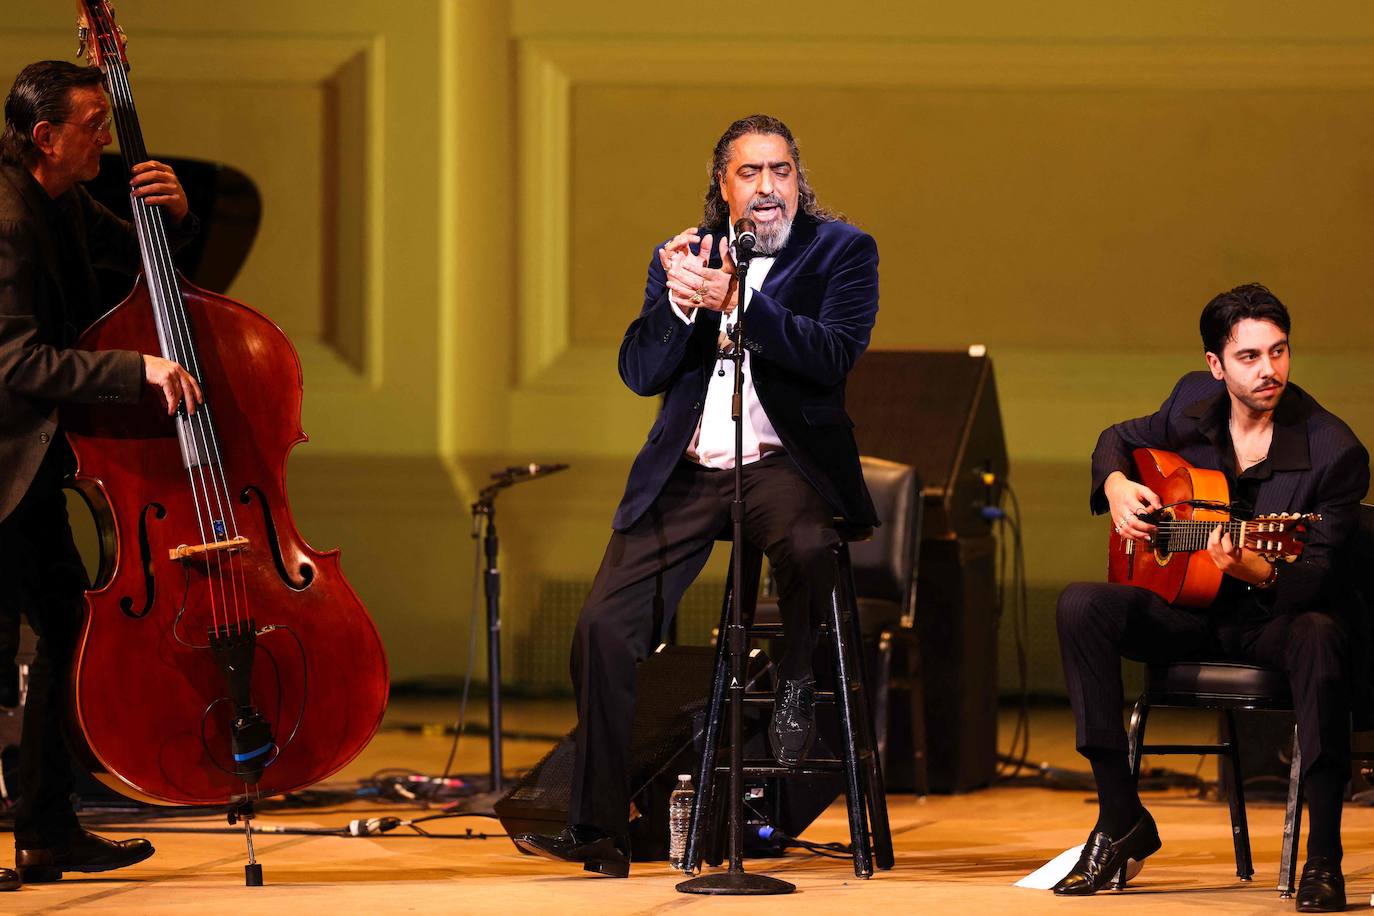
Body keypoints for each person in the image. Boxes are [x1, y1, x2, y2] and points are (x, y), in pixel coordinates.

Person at [513, 114, 879, 877]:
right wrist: (681, 306)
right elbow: (640, 372)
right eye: (752, 174)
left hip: (783, 464)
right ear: (724, 186)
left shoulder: (844, 251)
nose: (769, 188)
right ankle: (601, 824)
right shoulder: (687, 255)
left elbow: (833, 353)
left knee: (811, 547)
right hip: (688, 470)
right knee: (602, 630)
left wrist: (741, 303)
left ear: (799, 179)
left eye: (781, 171)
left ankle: (796, 674)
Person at [1053, 283, 1369, 911]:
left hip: (1275, 618)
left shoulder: (1335, 452)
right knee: (1080, 605)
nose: (1268, 371)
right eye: (1249, 357)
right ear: (1215, 367)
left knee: (1320, 635)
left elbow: (1326, 575)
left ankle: (1324, 855)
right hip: (1189, 611)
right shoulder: (1190, 404)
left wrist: (1261, 571)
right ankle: (1120, 816)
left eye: (1278, 353)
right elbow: (1116, 437)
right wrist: (1115, 484)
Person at [0, 60, 203, 892]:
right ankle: (41, 827)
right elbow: (13, 359)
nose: (106, 138)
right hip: (5, 460)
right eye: (94, 122)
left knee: (64, 623)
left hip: (31, 462)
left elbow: (145, 268)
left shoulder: (61, 199)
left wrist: (174, 217)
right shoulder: (8, 215)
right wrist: (138, 372)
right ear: (45, 136)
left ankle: (47, 831)